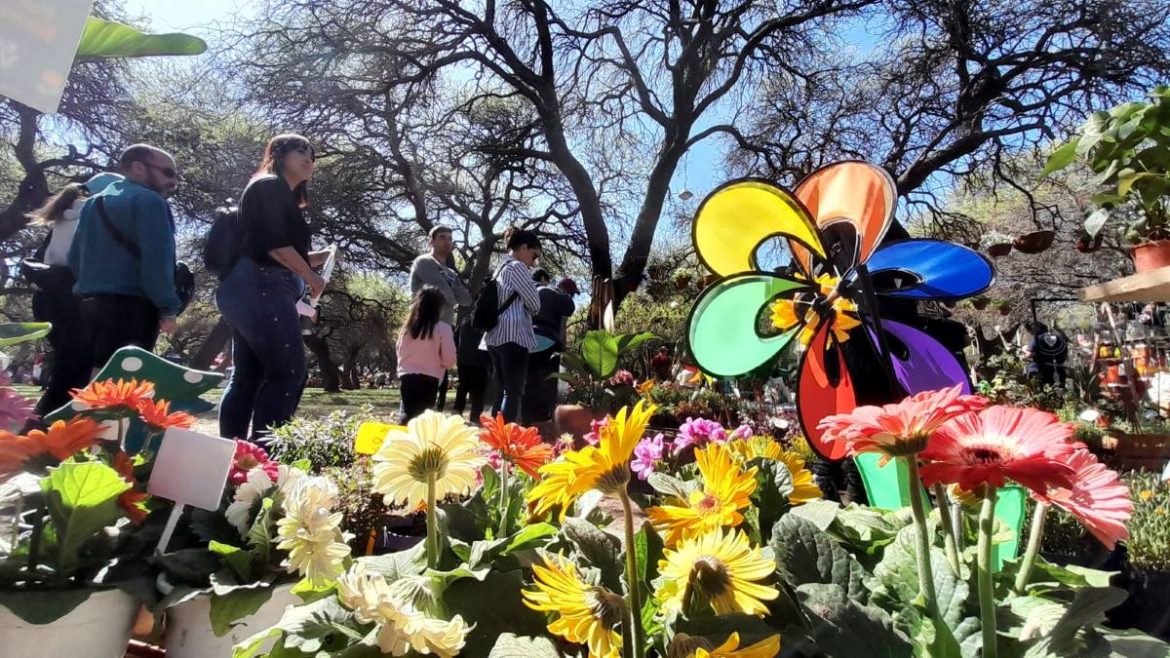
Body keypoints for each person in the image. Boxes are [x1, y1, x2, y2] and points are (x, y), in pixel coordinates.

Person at [216, 134, 332, 442]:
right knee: (288, 373)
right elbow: (273, 246)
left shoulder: (281, 195)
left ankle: (235, 457)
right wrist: (311, 276)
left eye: (312, 153)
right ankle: (265, 456)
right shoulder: (268, 185)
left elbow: (272, 246)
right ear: (279, 155)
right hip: (261, 285)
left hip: (252, 287)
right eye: (299, 150)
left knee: (247, 376)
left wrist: (319, 259)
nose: (308, 157)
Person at [69, 146, 182, 371]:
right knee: (124, 382)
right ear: (138, 167)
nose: (174, 181)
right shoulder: (150, 202)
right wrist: (168, 307)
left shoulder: (94, 203)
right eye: (168, 172)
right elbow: (157, 262)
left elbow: (74, 257)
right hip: (132, 305)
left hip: (90, 302)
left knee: (97, 376)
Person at [25, 174, 120, 415]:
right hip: (77, 298)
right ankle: (45, 433)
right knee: (74, 374)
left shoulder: (63, 215)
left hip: (50, 297)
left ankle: (44, 429)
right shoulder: (95, 216)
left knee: (66, 369)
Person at [483, 226, 542, 422]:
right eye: (534, 256)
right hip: (513, 335)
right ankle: (505, 438)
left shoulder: (499, 268)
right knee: (513, 391)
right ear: (524, 248)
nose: (534, 264)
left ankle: (494, 434)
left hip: (493, 336)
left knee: (501, 389)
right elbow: (535, 305)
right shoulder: (517, 267)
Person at [410, 226, 471, 410]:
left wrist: (451, 291)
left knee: (438, 379)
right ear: (431, 240)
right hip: (424, 327)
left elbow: (466, 299)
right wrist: (452, 292)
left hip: (444, 327)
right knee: (419, 380)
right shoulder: (424, 262)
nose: (447, 241)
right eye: (442, 237)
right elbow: (444, 294)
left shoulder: (451, 272)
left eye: (450, 238)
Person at [395, 286, 457, 423]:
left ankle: (400, 438)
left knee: (407, 412)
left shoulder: (407, 328)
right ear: (439, 308)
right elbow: (449, 360)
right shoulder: (443, 329)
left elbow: (400, 352)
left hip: (407, 377)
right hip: (430, 380)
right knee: (422, 419)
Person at [524, 270, 576, 423]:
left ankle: (527, 421)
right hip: (547, 341)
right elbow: (569, 308)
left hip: (528, 342)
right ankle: (547, 420)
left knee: (530, 383)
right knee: (549, 383)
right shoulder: (550, 292)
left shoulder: (527, 292)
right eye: (572, 293)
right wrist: (564, 296)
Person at [452, 315, 491, 420]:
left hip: (464, 358)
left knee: (463, 386)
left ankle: (458, 411)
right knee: (479, 389)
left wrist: (458, 352)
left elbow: (455, 338)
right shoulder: (488, 321)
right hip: (481, 359)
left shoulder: (465, 320)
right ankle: (475, 415)